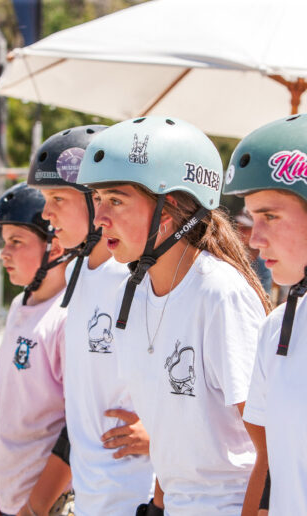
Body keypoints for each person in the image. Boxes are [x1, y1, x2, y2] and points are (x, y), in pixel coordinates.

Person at [77, 116, 271, 516]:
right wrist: (159, 506)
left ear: (168, 210)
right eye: (97, 200)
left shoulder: (220, 294)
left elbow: (271, 450)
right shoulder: (127, 296)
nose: (99, 219)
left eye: (115, 199)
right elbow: (174, 434)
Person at [28, 125, 155, 516]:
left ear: (91, 200)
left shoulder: (138, 278)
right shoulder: (77, 270)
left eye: (57, 199)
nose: (46, 214)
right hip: (89, 494)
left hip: (135, 494)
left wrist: (161, 433)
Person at [223, 113, 307, 515]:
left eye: (270, 215)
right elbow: (272, 467)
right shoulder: (276, 327)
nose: (254, 239)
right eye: (252, 218)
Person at [0, 182, 75, 516]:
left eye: (16, 241)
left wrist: (34, 507)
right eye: (4, 241)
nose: (3, 252)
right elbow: (14, 412)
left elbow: (76, 429)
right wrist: (5, 491)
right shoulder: (17, 305)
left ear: (53, 248)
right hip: (14, 497)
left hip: (47, 504)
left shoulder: (66, 318)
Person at [234, 207, 272, 294]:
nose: (240, 231)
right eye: (238, 226)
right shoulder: (228, 256)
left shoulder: (266, 263)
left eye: (246, 228)